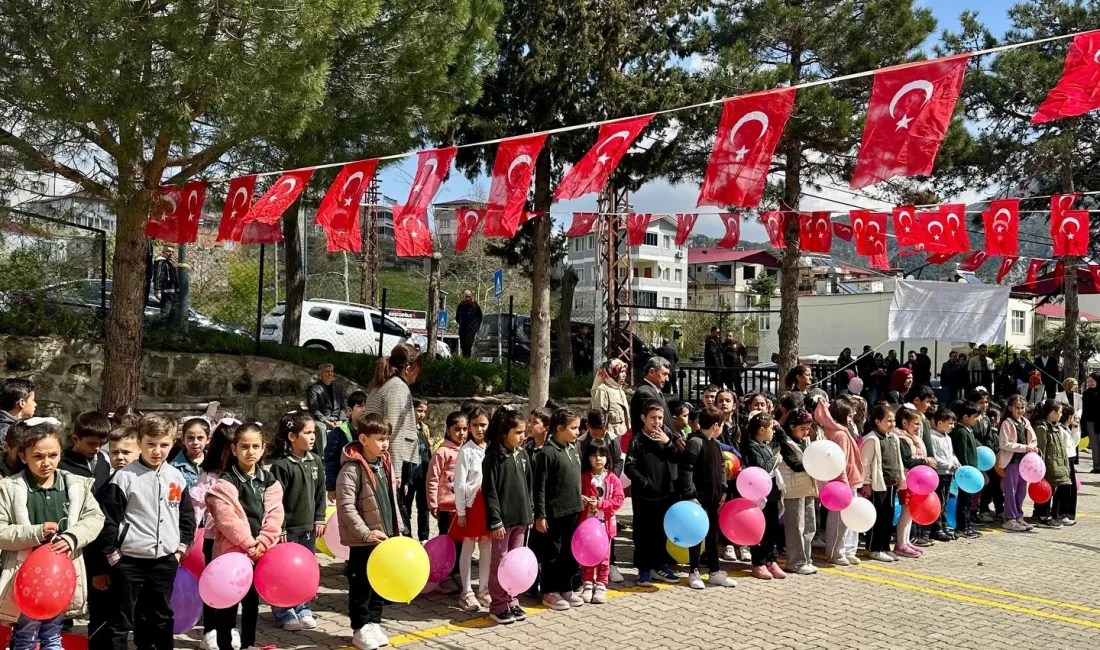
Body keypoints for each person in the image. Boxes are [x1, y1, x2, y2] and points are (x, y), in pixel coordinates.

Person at [0, 417, 104, 650]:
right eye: (38, 456)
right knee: (25, 637)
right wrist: (35, 532)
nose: (46, 462)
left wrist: (71, 538)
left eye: (53, 455)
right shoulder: (9, 488)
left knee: (53, 635)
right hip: (25, 578)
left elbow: (95, 518)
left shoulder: (77, 485)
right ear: (23, 456)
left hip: (62, 576)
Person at [97, 413, 197, 650]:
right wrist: (113, 557)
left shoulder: (176, 477)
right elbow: (109, 520)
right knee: (120, 619)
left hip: (164, 561)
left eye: (164, 445)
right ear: (140, 441)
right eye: (150, 444)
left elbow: (186, 517)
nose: (156, 451)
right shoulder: (124, 478)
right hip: (128, 561)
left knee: (160, 617)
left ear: (173, 443)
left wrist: (180, 550)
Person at [206, 423, 284, 650]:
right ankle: (225, 646)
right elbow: (227, 519)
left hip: (259, 554)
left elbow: (275, 514)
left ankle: (249, 644)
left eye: (255, 446)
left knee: (252, 602)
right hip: (231, 555)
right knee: (227, 605)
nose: (250, 451)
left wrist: (264, 542)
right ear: (234, 449)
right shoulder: (225, 483)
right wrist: (249, 544)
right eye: (244, 446)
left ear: (263, 449)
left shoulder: (269, 481)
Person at [336, 414, 401, 650]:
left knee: (379, 582)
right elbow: (346, 506)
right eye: (380, 439)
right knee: (361, 584)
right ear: (363, 438)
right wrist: (365, 533)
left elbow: (393, 500)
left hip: (384, 537)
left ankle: (374, 621)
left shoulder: (385, 464)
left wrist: (398, 529)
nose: (385, 444)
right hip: (363, 540)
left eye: (387, 439)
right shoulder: (352, 469)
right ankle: (360, 626)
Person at [269, 411, 325, 631]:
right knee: (284, 571)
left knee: (305, 570)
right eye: (308, 432)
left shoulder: (316, 461)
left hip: (308, 529)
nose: (313, 436)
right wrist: (280, 526)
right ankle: (283, 612)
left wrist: (319, 518)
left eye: (314, 432)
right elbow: (275, 500)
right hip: (288, 530)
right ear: (292, 437)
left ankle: (303, 608)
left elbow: (320, 493)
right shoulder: (281, 466)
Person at [477, 407, 532, 624]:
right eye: (518, 432)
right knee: (500, 562)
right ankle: (498, 604)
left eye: (523, 432)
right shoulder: (493, 458)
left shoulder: (523, 454)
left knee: (516, 562)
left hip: (521, 518)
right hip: (503, 521)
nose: (523, 436)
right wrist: (495, 520)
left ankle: (512, 599)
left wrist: (530, 513)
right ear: (503, 433)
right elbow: (489, 492)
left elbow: (528, 486)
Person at [677, 406, 737, 588]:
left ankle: (714, 571)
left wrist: (724, 488)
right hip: (697, 499)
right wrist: (690, 495)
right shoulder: (695, 442)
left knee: (712, 535)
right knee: (696, 535)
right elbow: (686, 470)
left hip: (713, 499)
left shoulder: (716, 445)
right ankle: (694, 571)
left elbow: (720, 469)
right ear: (716, 425)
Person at [532, 408, 584, 610]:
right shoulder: (547, 453)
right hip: (554, 513)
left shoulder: (573, 449)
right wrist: (541, 514)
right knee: (552, 552)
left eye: (578, 428)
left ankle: (565, 587)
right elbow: (540, 487)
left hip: (573, 509)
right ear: (559, 428)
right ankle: (549, 591)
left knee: (568, 553)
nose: (577, 432)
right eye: (573, 428)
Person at [625, 402, 681, 587]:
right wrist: (644, 482)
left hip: (664, 495)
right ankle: (644, 569)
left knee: (660, 532)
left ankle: (660, 565)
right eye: (652, 418)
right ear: (644, 418)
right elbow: (629, 467)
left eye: (659, 418)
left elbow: (676, 459)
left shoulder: (665, 439)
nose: (656, 422)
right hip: (644, 497)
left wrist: (668, 442)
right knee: (643, 533)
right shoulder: (637, 440)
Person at [364, 345, 422, 497]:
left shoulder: (383, 384)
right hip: (394, 460)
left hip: (380, 455)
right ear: (408, 368)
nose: (419, 373)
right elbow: (394, 430)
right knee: (398, 514)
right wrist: (395, 471)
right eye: (418, 368)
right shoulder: (397, 387)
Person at [578, 436, 626, 602]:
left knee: (604, 557)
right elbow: (576, 495)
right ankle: (588, 582)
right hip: (587, 525)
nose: (597, 459)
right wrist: (582, 500)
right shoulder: (583, 477)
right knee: (587, 555)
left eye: (601, 455)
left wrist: (601, 504)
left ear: (607, 457)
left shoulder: (612, 478)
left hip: (605, 526)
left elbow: (619, 500)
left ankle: (601, 584)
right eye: (593, 455)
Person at [816, 398, 863, 566]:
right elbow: (839, 461)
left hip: (848, 480)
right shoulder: (840, 434)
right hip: (843, 483)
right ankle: (836, 551)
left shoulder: (839, 431)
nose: (853, 416)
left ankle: (847, 549)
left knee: (847, 519)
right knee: (839, 520)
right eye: (850, 413)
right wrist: (843, 482)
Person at [426, 411, 467, 596]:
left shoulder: (467, 450)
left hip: (463, 508)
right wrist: (433, 503)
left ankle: (457, 572)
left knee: (461, 543)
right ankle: (444, 576)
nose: (462, 433)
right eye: (457, 429)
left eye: (465, 429)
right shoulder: (442, 451)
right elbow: (432, 478)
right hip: (446, 507)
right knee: (446, 542)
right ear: (448, 430)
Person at [741, 413, 784, 580]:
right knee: (760, 530)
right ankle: (758, 562)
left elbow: (782, 438)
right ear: (761, 430)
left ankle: (771, 560)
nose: (773, 432)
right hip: (759, 496)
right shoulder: (752, 446)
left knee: (772, 529)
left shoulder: (764, 444)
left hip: (771, 493)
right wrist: (775, 460)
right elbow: (761, 467)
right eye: (771, 429)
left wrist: (778, 427)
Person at [778, 409, 818, 575]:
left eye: (808, 428)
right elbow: (794, 464)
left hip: (807, 487)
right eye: (802, 428)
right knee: (796, 527)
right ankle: (796, 562)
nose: (806, 432)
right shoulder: (786, 442)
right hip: (794, 489)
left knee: (810, 525)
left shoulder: (805, 441)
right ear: (792, 426)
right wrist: (814, 463)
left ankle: (806, 559)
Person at [894, 405, 932, 558]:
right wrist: (925, 461)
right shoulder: (902, 439)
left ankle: (906, 540)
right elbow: (907, 461)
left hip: (915, 481)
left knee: (910, 512)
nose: (918, 427)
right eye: (915, 423)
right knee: (906, 512)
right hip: (906, 481)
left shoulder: (912, 438)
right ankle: (900, 544)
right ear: (904, 423)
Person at [998, 395, 1037, 533]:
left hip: (1024, 463)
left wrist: (1033, 447)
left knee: (1021, 490)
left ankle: (1018, 515)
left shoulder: (1025, 421)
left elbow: (1033, 439)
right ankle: (1010, 517)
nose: (1020, 410)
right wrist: (1023, 447)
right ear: (1010, 408)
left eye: (1022, 407)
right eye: (1017, 408)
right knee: (1011, 490)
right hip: (1012, 461)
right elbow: (1004, 444)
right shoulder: (1007, 423)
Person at [1032, 400, 1069, 529]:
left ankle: (1045, 514)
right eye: (1059, 412)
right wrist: (1041, 469)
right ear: (1052, 413)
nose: (1061, 415)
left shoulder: (1055, 427)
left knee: (1051, 491)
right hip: (1047, 466)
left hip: (1056, 464)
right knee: (1045, 490)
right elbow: (1041, 451)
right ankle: (1043, 516)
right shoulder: (1042, 428)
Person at [326, 390, 368, 501]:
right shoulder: (338, 433)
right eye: (360, 406)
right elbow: (331, 461)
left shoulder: (372, 433)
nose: (364, 409)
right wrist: (331, 487)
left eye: (366, 406)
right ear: (350, 410)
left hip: (367, 483)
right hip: (345, 483)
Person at [400, 398, 432, 542]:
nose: (422, 414)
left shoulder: (424, 428)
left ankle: (424, 538)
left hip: (423, 474)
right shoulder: (403, 429)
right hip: (408, 474)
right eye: (419, 410)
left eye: (424, 411)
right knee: (405, 507)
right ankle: (407, 538)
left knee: (424, 508)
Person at [949, 401, 982, 539]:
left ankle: (967, 525)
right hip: (966, 474)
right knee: (963, 501)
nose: (977, 419)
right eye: (975, 416)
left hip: (972, 473)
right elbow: (962, 453)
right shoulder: (961, 432)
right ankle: (962, 527)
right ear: (965, 416)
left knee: (968, 501)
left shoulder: (968, 430)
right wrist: (967, 470)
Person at [60, 410, 112, 493]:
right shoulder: (61, 464)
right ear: (75, 439)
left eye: (101, 444)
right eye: (91, 444)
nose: (97, 448)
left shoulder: (103, 463)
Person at [929, 408, 961, 542]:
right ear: (940, 423)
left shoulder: (947, 437)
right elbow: (935, 456)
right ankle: (936, 528)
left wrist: (956, 463)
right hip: (940, 473)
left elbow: (951, 454)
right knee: (939, 500)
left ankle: (944, 524)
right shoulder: (932, 437)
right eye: (950, 423)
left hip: (948, 473)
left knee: (945, 500)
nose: (952, 426)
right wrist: (948, 465)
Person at [629, 357, 677, 438]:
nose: (667, 379)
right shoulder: (645, 393)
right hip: (650, 446)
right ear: (652, 372)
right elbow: (654, 424)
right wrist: (674, 438)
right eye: (664, 374)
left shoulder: (654, 391)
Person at [308, 364, 348, 455]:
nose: (330, 373)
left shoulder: (338, 388)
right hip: (322, 420)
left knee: (349, 425)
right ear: (321, 374)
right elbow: (314, 409)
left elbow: (343, 406)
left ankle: (345, 455)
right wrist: (326, 422)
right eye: (327, 371)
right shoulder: (314, 388)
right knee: (321, 428)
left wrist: (341, 420)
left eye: (331, 371)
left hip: (337, 420)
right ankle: (324, 458)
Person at [590, 359, 630, 439]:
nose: (624, 375)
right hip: (610, 437)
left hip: (624, 436)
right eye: (621, 371)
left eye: (625, 372)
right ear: (612, 372)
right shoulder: (601, 390)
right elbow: (599, 418)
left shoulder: (619, 390)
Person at [1054, 407, 1079, 526]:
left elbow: (1075, 443)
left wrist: (1075, 430)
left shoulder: (1067, 429)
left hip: (1071, 458)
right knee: (1064, 488)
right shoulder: (1059, 429)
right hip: (1064, 459)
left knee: (1071, 488)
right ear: (1068, 417)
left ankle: (1068, 513)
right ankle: (1060, 514)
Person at [170, 417, 209, 489]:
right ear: (183, 440)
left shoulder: (216, 463)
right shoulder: (174, 467)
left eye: (200, 438)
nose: (195, 442)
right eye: (190, 438)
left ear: (208, 440)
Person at [0, 378, 36, 448]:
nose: (35, 404)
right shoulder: (4, 431)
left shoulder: (17, 427)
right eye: (33, 400)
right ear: (21, 402)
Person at [151, 245, 179, 320]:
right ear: (163, 252)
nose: (170, 253)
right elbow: (158, 276)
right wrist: (158, 290)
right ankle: (160, 328)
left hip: (173, 292)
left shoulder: (171, 263)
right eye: (168, 251)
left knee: (173, 314)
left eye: (172, 252)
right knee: (165, 314)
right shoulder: (161, 262)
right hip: (166, 292)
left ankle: (168, 329)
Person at [456, 290, 483, 358]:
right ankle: (465, 362)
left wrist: (476, 328)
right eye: (466, 297)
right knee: (463, 347)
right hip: (463, 330)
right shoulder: (460, 306)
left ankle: (468, 361)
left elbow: (480, 317)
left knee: (469, 346)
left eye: (469, 296)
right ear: (464, 297)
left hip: (471, 330)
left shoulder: (475, 306)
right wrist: (461, 323)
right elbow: (457, 317)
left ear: (471, 296)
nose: (468, 298)